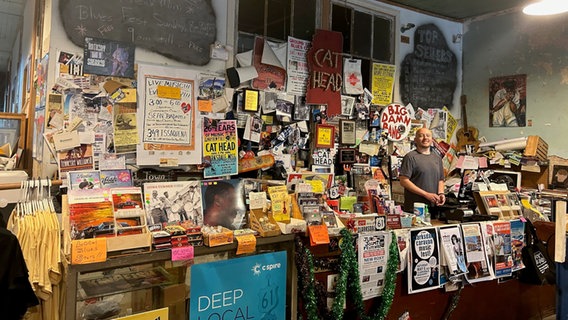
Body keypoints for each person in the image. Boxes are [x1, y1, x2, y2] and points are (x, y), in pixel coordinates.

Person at [399, 128, 445, 216]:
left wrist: (441, 193)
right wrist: (426, 194)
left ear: (432, 139)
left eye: (428, 135)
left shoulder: (437, 158)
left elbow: (440, 179)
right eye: (421, 136)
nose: (425, 138)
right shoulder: (410, 157)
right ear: (415, 140)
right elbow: (404, 181)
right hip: (415, 208)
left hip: (433, 207)